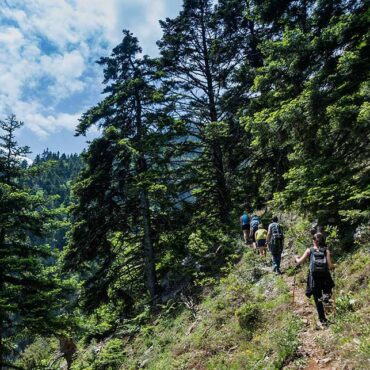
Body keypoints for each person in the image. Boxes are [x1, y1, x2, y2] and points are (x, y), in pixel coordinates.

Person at [295, 233, 335, 326]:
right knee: (326, 294)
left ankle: (323, 320)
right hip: (325, 276)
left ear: (314, 241)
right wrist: (334, 266)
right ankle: (327, 304)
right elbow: (330, 266)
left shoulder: (309, 250)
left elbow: (299, 262)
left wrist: (296, 258)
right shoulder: (326, 251)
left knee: (317, 299)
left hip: (314, 277)